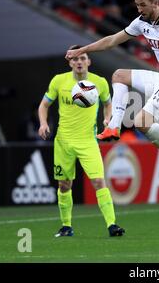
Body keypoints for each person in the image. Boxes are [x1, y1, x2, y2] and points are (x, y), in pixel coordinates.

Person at [65, 0, 159, 187]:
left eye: (143, 5)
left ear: (155, 2)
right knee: (119, 75)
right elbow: (111, 40)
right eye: (137, 5)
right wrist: (81, 50)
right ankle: (114, 127)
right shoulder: (141, 22)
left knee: (141, 121)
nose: (139, 9)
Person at [38, 45, 125, 238]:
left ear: (89, 61)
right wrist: (43, 123)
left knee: (98, 181)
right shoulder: (59, 81)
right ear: (70, 62)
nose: (79, 62)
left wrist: (107, 118)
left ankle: (112, 225)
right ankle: (66, 226)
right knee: (64, 185)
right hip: (64, 141)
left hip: (88, 141)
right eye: (75, 59)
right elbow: (44, 105)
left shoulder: (99, 82)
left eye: (83, 58)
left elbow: (108, 104)